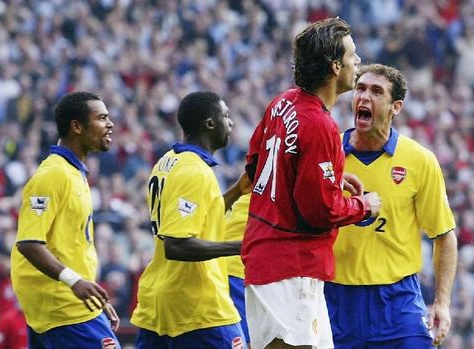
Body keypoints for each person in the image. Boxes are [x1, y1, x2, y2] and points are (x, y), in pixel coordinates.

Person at [242, 18, 382, 349]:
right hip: (291, 266)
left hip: (272, 262)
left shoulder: (283, 102)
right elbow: (319, 210)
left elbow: (256, 163)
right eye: (353, 55)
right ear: (335, 66)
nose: (358, 61)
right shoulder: (320, 124)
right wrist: (363, 206)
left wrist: (328, 177)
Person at [325, 63, 458, 349]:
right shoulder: (328, 153)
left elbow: (444, 236)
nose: (364, 97)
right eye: (360, 89)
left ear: (395, 106)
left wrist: (442, 303)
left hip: (398, 301)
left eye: (376, 91)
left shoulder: (419, 160)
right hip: (336, 298)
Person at [130, 91, 250, 349]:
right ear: (210, 124)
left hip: (159, 300)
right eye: (226, 116)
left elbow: (198, 216)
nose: (230, 123)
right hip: (198, 305)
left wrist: (236, 192)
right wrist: (243, 246)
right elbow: (177, 244)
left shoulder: (168, 161)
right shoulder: (194, 171)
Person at [10, 91, 121, 348]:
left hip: (69, 303)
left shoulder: (74, 173)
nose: (110, 124)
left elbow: (69, 247)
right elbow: (28, 242)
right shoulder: (52, 175)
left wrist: (94, 297)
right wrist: (74, 282)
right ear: (77, 126)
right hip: (62, 306)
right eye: (102, 118)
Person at [224, 193, 252, 345]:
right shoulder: (264, 199)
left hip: (220, 272)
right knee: (244, 340)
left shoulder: (237, 197)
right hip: (238, 274)